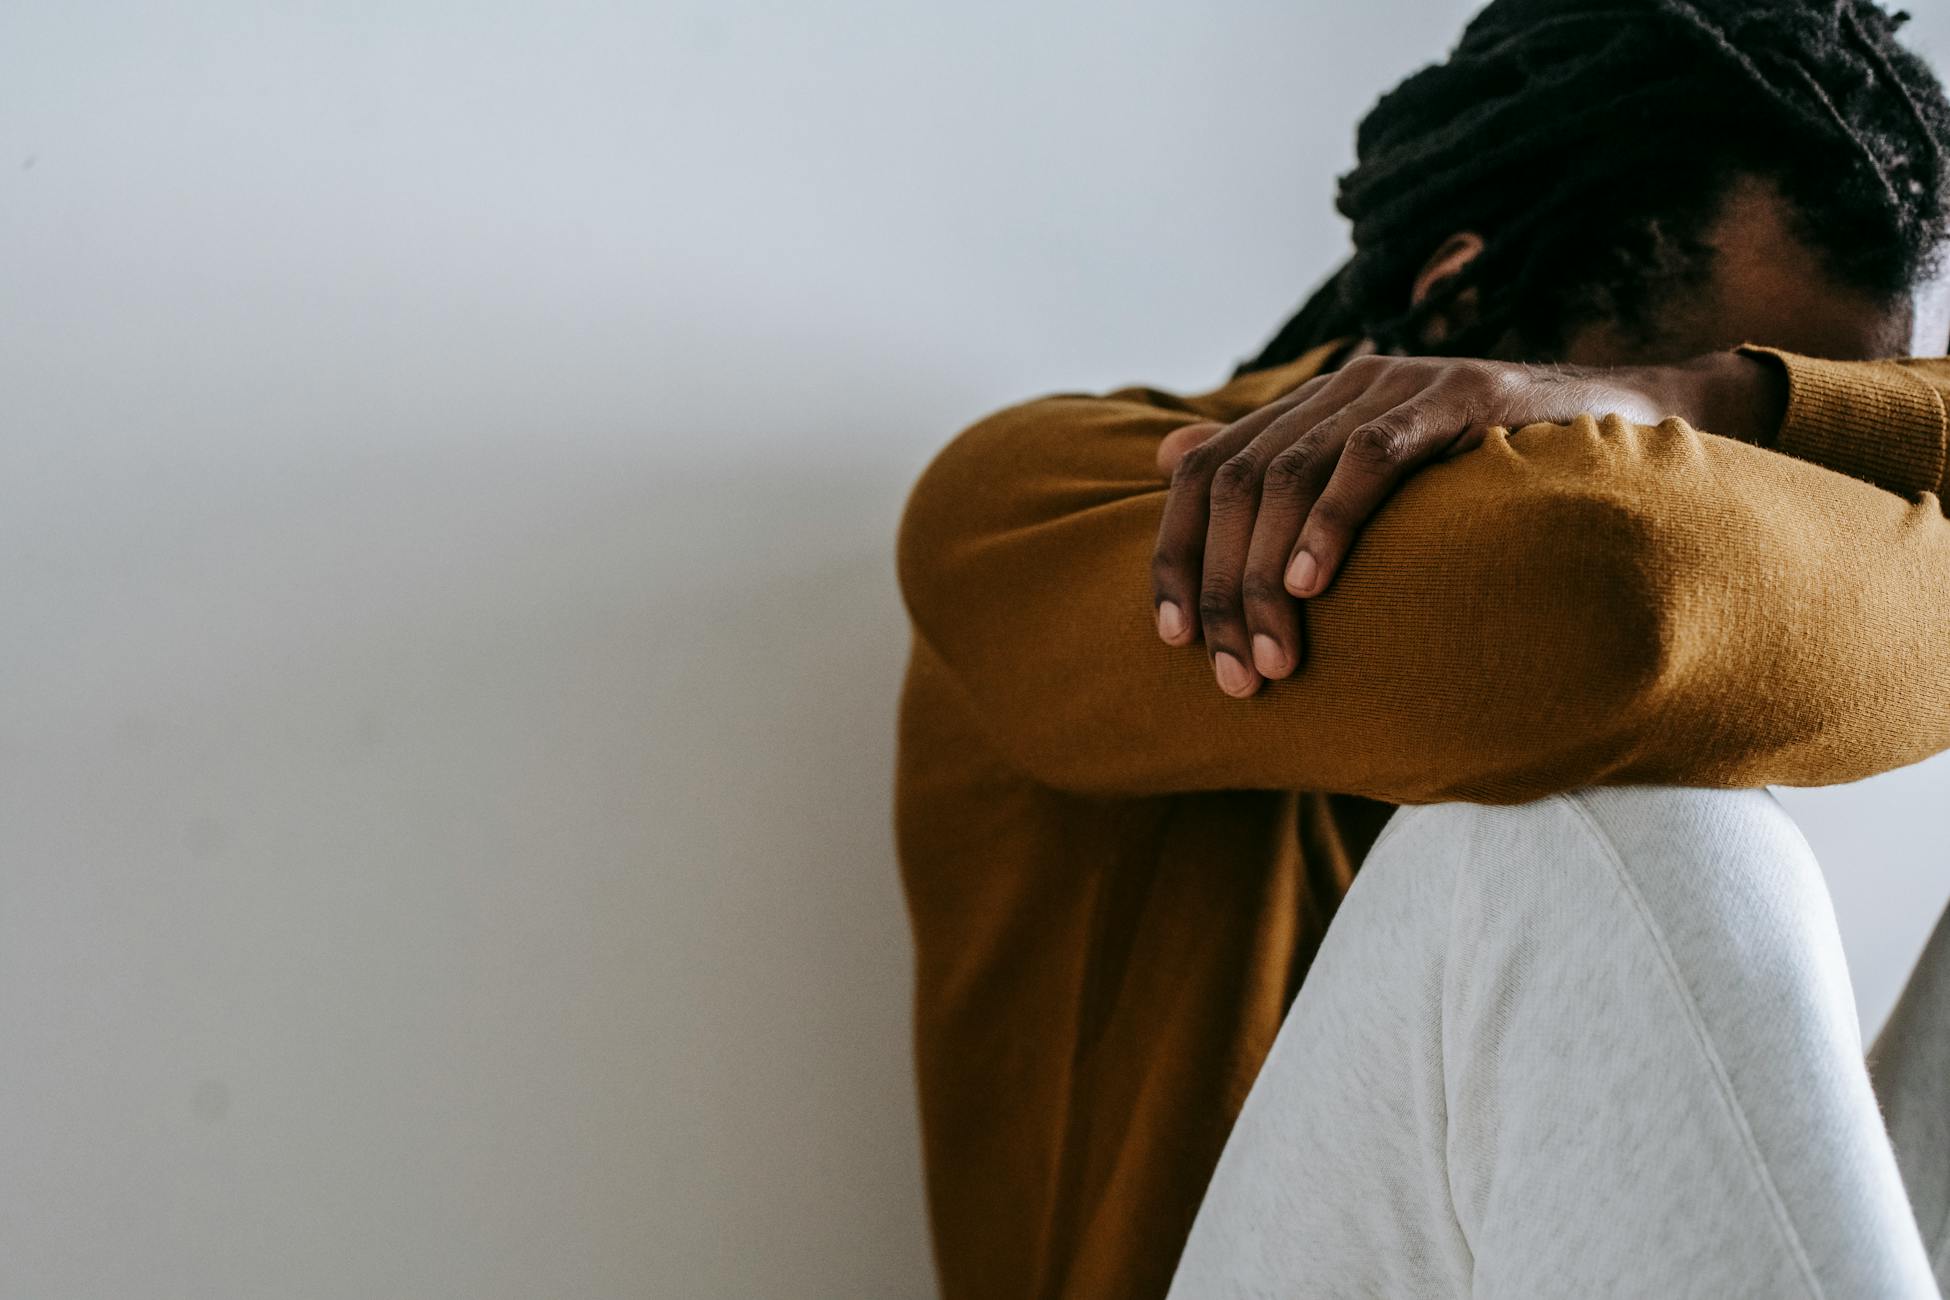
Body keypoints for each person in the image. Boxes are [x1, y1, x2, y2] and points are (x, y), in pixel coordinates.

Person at [893, 1, 1950, 1296]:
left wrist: (1711, 400)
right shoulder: (1054, 504)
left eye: (1827, 450)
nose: (1778, 520)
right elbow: (1613, 605)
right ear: (1453, 298)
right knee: (1594, 832)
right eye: (1701, 457)